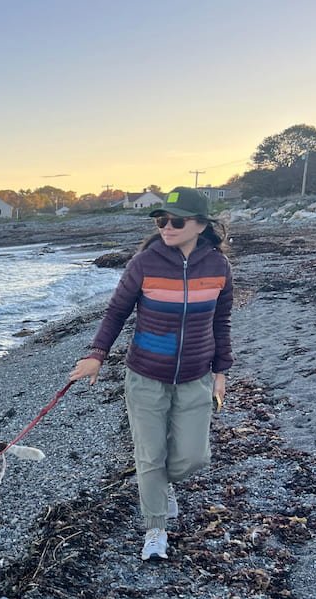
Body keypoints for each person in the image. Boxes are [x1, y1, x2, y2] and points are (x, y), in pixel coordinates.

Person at [69, 187, 233, 561]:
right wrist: (97, 354)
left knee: (194, 457)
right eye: (162, 220)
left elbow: (221, 322)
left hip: (195, 375)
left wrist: (221, 371)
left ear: (200, 225)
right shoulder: (145, 263)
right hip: (145, 376)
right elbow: (115, 313)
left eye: (177, 220)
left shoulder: (219, 268)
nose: (167, 227)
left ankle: (160, 485)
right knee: (149, 455)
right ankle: (155, 528)